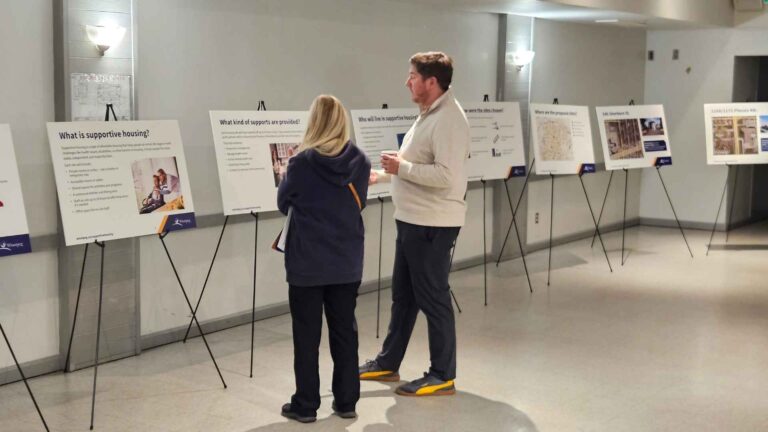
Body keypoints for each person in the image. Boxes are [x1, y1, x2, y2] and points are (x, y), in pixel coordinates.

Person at [360, 51, 470, 397]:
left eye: (412, 76)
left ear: (431, 81)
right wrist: (379, 176)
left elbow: (445, 177)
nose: (407, 81)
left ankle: (442, 374)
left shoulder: (449, 119)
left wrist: (400, 169)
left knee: (433, 298)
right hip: (412, 221)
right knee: (403, 297)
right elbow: (413, 166)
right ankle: (388, 362)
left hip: (432, 225)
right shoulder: (427, 115)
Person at [276, 94, 371, 423]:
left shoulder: (300, 163)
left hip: (307, 263)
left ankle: (306, 405)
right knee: (345, 332)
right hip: (347, 261)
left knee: (306, 337)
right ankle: (346, 402)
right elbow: (360, 204)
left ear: (314, 121)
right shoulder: (360, 160)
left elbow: (283, 202)